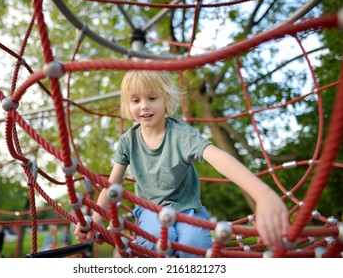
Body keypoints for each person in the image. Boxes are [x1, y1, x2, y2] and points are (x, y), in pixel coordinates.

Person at [74, 70, 290, 258]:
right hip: (150, 209)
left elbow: (218, 158)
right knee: (155, 243)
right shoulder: (128, 141)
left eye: (152, 98)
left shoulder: (182, 135)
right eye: (135, 100)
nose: (144, 106)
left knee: (195, 245)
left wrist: (262, 193)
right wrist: (95, 221)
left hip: (187, 209)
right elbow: (111, 186)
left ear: (166, 100)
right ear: (127, 104)